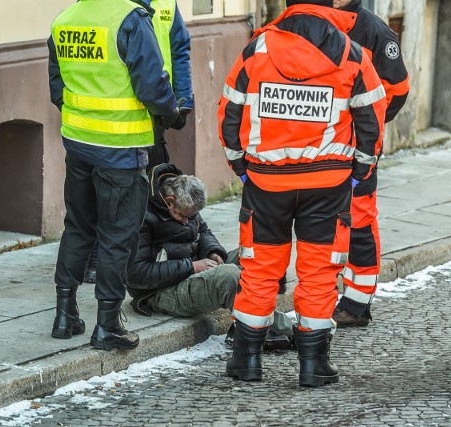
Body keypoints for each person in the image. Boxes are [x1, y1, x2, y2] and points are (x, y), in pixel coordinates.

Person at [217, 0, 386, 386]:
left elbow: (229, 112)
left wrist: (240, 167)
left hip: (265, 183)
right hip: (327, 186)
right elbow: (372, 122)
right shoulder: (353, 54)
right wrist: (358, 172)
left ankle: (246, 360)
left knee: (259, 270)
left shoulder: (256, 51)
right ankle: (313, 365)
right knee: (319, 273)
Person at [47, 0, 181, 351]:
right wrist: (170, 110)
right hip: (120, 150)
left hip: (78, 145)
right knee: (116, 236)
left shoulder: (65, 19)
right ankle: (107, 325)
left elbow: (57, 88)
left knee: (77, 226)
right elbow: (152, 86)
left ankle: (65, 314)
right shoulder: (130, 19)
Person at [83, 0, 194, 285]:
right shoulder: (116, 6)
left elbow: (179, 49)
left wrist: (182, 101)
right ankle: (97, 257)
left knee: (149, 190)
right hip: (116, 116)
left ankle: (140, 257)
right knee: (107, 190)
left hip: (155, 114)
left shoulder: (167, 3)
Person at [126, 164, 294, 349]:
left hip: (190, 269)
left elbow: (203, 230)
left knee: (255, 256)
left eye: (192, 217)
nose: (187, 221)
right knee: (230, 277)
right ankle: (288, 329)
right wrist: (192, 266)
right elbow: (135, 274)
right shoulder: (141, 216)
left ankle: (250, 324)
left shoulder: (185, 205)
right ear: (170, 201)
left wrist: (213, 252)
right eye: (183, 216)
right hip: (160, 292)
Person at [331, 0, 410, 328]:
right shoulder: (314, 22)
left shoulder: (376, 32)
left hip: (359, 149)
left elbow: (399, 90)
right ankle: (324, 293)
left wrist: (367, 125)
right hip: (322, 149)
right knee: (324, 222)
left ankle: (357, 303)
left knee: (359, 222)